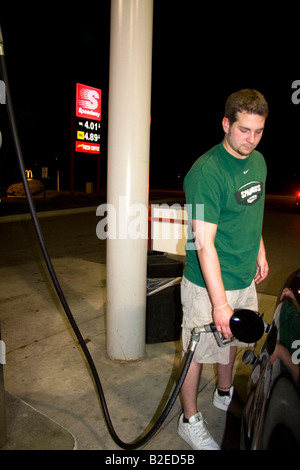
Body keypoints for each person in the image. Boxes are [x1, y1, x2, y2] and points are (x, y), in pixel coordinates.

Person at [177, 89, 269, 450]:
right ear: (226, 124)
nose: (251, 139)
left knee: (233, 339)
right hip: (208, 285)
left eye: (258, 131)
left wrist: (259, 251)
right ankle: (189, 420)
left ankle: (225, 392)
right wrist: (218, 303)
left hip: (243, 276)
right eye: (244, 130)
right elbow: (204, 243)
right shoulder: (206, 173)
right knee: (197, 354)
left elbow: (252, 210)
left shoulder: (258, 161)